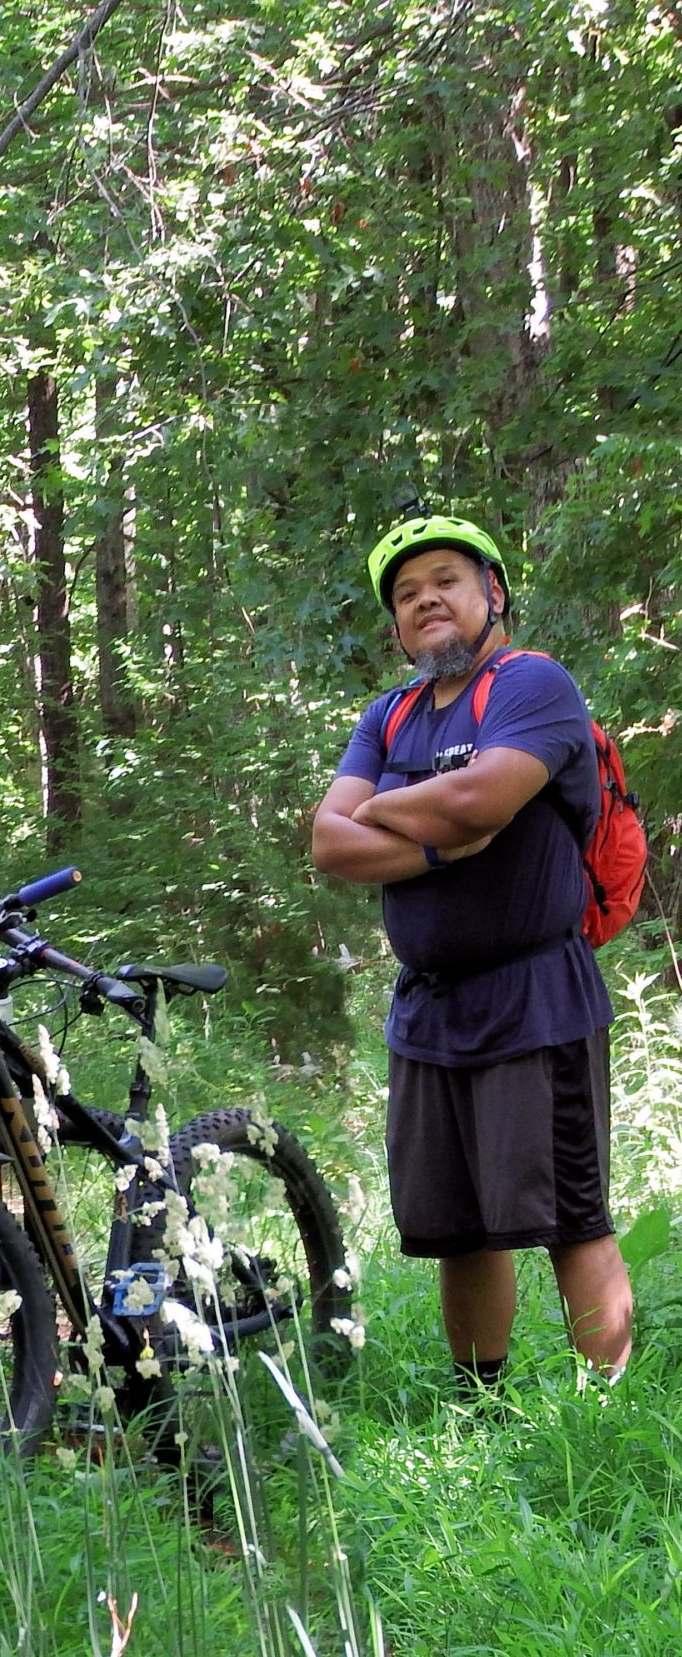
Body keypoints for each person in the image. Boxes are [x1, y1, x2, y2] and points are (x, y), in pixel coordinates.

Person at [310, 511, 633, 1389]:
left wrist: (382, 807)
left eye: (446, 581)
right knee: (458, 1228)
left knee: (573, 1216)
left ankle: (602, 1418)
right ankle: (479, 1413)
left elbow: (485, 800)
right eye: (408, 595)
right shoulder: (391, 713)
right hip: (428, 1009)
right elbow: (329, 845)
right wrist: (433, 838)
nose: (427, 602)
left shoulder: (532, 685)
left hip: (537, 996)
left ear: (492, 593)